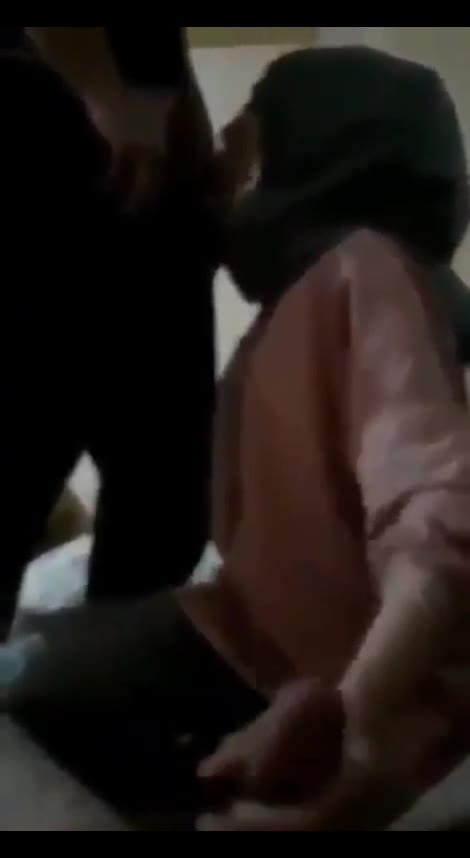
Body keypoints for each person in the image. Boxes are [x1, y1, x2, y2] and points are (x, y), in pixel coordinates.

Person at [5, 45, 470, 831]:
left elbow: (440, 514)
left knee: (27, 689)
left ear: (317, 152)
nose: (223, 162)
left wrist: (352, 707)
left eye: (243, 143)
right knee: (25, 665)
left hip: (340, 671)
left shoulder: (368, 273)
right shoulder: (302, 300)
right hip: (245, 627)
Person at [0, 27, 218, 633]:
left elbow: (160, 49)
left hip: (113, 149)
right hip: (50, 129)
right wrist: (103, 96)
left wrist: (188, 136)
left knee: (166, 496)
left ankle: (110, 669)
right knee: (156, 487)